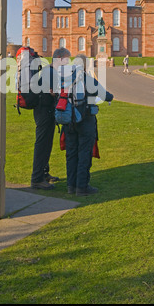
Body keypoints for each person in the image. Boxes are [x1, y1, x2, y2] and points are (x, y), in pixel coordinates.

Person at [61, 54, 113, 196]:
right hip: (85, 121)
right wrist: (110, 96)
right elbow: (105, 95)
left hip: (69, 122)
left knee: (71, 154)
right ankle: (82, 187)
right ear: (84, 66)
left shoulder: (65, 80)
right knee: (84, 153)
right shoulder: (87, 79)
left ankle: (71, 186)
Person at [31, 47, 71, 190]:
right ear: (59, 58)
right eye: (66, 59)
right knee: (42, 144)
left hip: (46, 110)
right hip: (44, 111)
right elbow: (54, 93)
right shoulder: (50, 72)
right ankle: (36, 179)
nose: (67, 63)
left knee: (46, 144)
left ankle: (43, 174)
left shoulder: (50, 70)